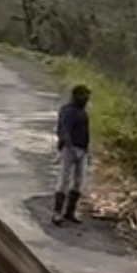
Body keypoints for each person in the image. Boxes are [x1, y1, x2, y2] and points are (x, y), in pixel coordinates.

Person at [54, 83, 90, 225]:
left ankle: (70, 212)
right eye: (84, 95)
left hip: (81, 149)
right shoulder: (69, 111)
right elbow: (63, 131)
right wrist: (68, 148)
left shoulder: (82, 111)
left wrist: (85, 150)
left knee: (78, 182)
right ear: (76, 96)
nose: (86, 98)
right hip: (70, 149)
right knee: (64, 180)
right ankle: (57, 213)